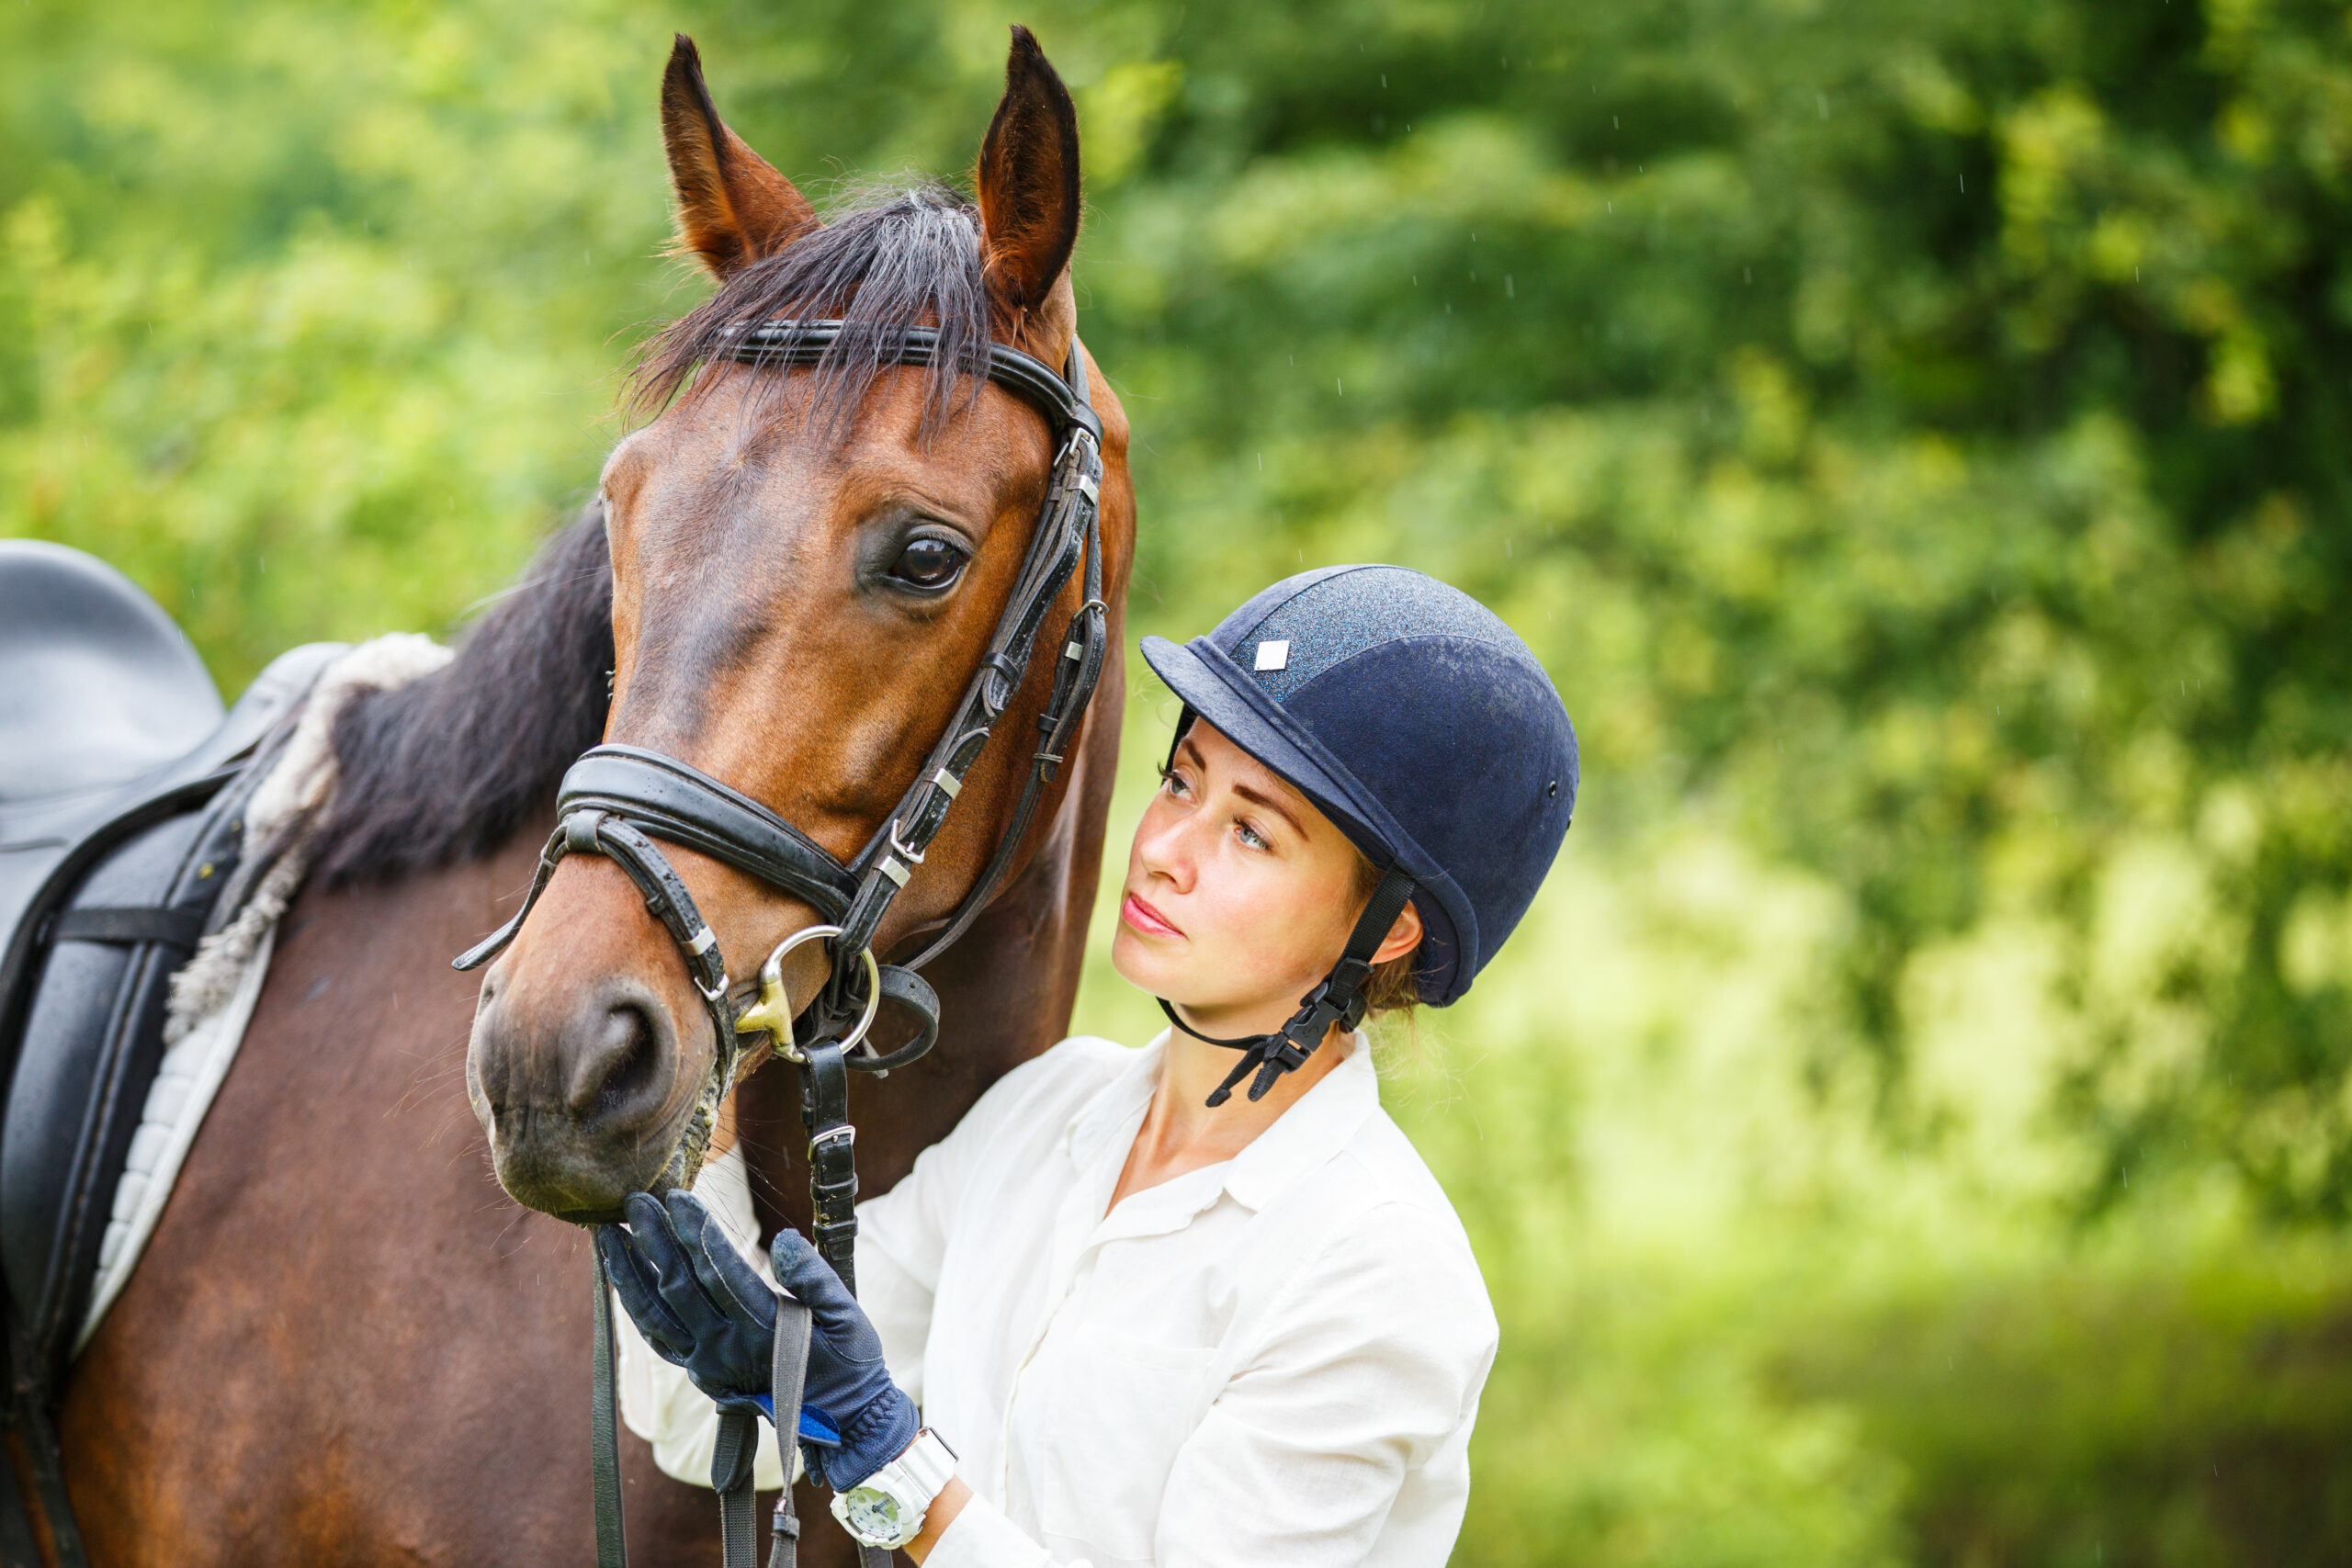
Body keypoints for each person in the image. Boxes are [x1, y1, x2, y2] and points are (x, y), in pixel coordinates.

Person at [599, 564, 1577, 1566]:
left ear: (1386, 930)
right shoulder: (1045, 1110)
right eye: (1181, 781)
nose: (1163, 850)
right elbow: (702, 1421)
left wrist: (890, 1464)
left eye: (1249, 831)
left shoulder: (1376, 1275)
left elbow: (857, 1435)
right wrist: (688, 1080)